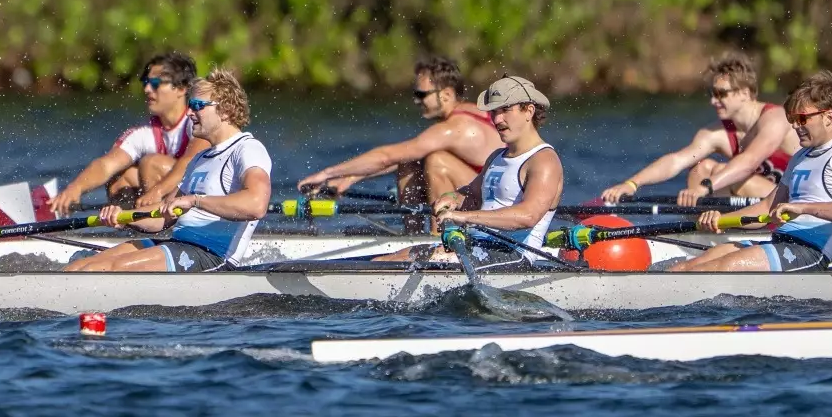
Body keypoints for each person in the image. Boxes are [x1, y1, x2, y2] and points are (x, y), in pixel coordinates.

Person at [670, 72, 832, 273]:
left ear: (828, 116)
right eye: (791, 119)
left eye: (802, 119)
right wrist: (720, 219)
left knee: (712, 270)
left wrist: (803, 208)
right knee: (683, 268)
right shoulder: (800, 156)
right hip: (779, 242)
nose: (795, 126)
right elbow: (766, 208)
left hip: (809, 252)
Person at [66, 70, 271, 273]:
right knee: (80, 266)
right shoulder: (200, 158)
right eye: (190, 105)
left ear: (225, 110)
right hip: (179, 245)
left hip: (211, 256)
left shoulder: (247, 149)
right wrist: (123, 217)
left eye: (197, 106)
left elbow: (257, 205)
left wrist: (195, 201)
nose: (189, 113)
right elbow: (163, 215)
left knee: (105, 269)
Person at [379, 76, 564, 267]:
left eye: (505, 110)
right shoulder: (497, 156)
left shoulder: (544, 161)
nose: (497, 119)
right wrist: (453, 197)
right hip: (477, 245)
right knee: (389, 259)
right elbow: (472, 195)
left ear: (529, 111)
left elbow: (528, 216)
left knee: (408, 262)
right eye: (494, 111)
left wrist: (463, 217)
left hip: (513, 255)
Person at [295, 56, 500, 205]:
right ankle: (413, 236)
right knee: (409, 160)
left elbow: (386, 156)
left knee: (437, 161)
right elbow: (398, 157)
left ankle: (436, 238)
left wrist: (326, 173)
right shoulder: (472, 111)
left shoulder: (454, 129)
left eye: (422, 95)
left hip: (496, 204)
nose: (416, 101)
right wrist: (350, 178)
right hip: (486, 192)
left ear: (446, 94)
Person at [598, 53, 799, 205]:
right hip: (761, 202)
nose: (713, 101)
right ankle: (702, 227)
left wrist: (706, 188)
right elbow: (676, 161)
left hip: (796, 201)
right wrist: (632, 184)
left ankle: (713, 224)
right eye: (712, 93)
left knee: (719, 172)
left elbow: (749, 162)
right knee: (701, 168)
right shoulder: (717, 133)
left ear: (745, 93)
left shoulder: (775, 118)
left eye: (721, 94)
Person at [48, 52, 206, 214]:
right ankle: (129, 221)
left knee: (150, 163)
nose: (147, 89)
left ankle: (157, 221)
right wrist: (75, 188)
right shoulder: (144, 132)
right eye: (145, 82)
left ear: (181, 88)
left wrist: (157, 191)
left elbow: (189, 163)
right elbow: (105, 165)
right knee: (119, 176)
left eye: (155, 83)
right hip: (171, 198)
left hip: (204, 196)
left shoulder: (198, 120)